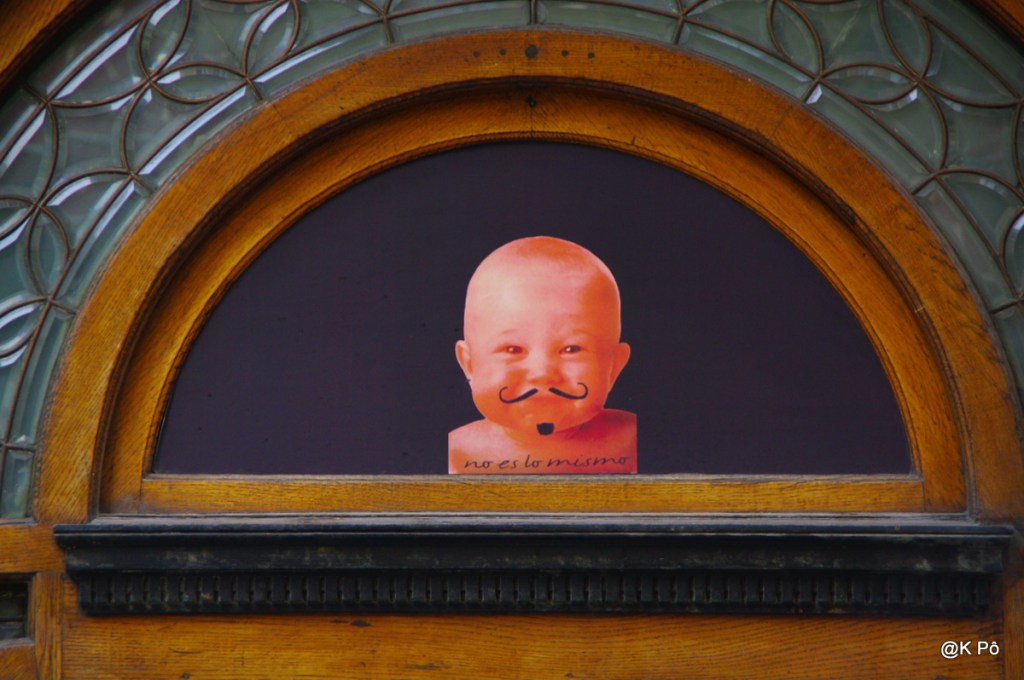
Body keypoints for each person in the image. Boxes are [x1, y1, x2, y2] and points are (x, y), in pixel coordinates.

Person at [449, 236, 636, 474]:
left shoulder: (635, 441)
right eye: (513, 350)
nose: (542, 373)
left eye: (571, 349)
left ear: (614, 367)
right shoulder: (456, 454)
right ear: (469, 364)